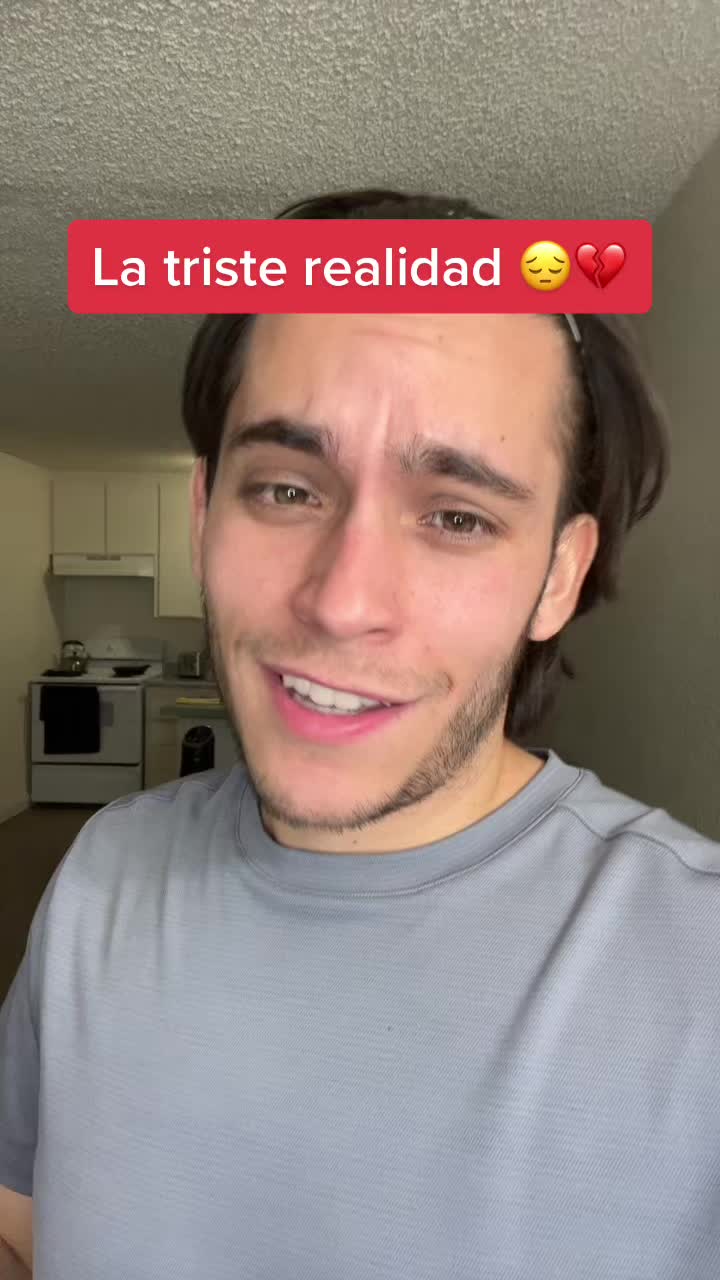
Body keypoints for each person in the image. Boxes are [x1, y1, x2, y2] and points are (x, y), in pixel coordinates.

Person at [1, 188, 719, 1280]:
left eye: (458, 515)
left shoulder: (697, 968)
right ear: (203, 517)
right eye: (287, 489)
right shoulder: (105, 868)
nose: (341, 603)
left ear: (558, 577)